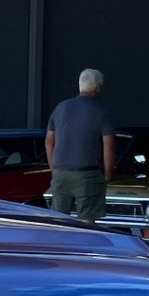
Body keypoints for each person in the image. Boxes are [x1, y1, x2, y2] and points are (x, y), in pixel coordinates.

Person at [47, 68, 116, 221]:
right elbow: (108, 146)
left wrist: (54, 169)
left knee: (59, 221)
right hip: (88, 175)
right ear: (98, 87)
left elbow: (49, 141)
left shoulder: (60, 108)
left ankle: (60, 244)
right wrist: (108, 174)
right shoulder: (101, 111)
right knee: (87, 222)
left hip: (60, 174)